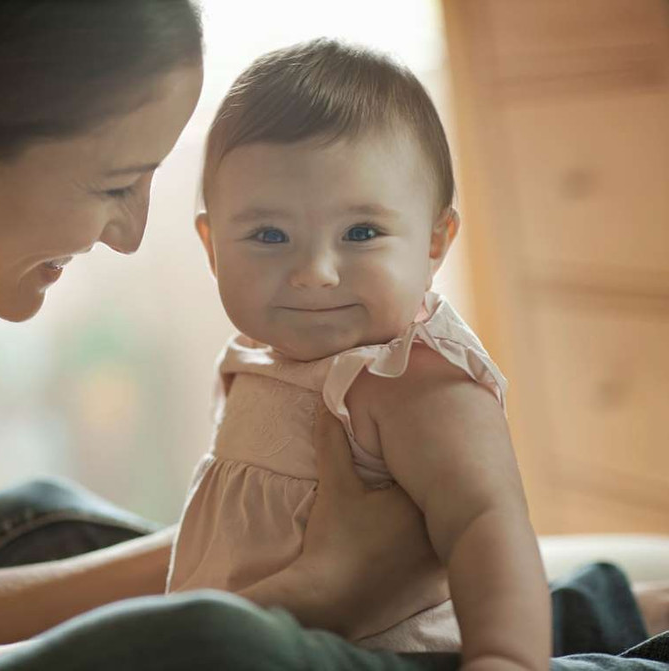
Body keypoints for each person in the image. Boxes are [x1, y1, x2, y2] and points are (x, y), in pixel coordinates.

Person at [0, 2, 664, 670]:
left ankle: (588, 611)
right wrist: (319, 590)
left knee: (41, 517)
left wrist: (236, 556)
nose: (129, 233)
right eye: (116, 180)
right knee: (214, 644)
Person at [168, 39, 549, 664]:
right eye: (269, 234)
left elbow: (488, 525)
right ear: (212, 246)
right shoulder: (259, 357)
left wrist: (504, 657)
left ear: (433, 242)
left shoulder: (409, 378)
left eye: (361, 233)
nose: (315, 271)